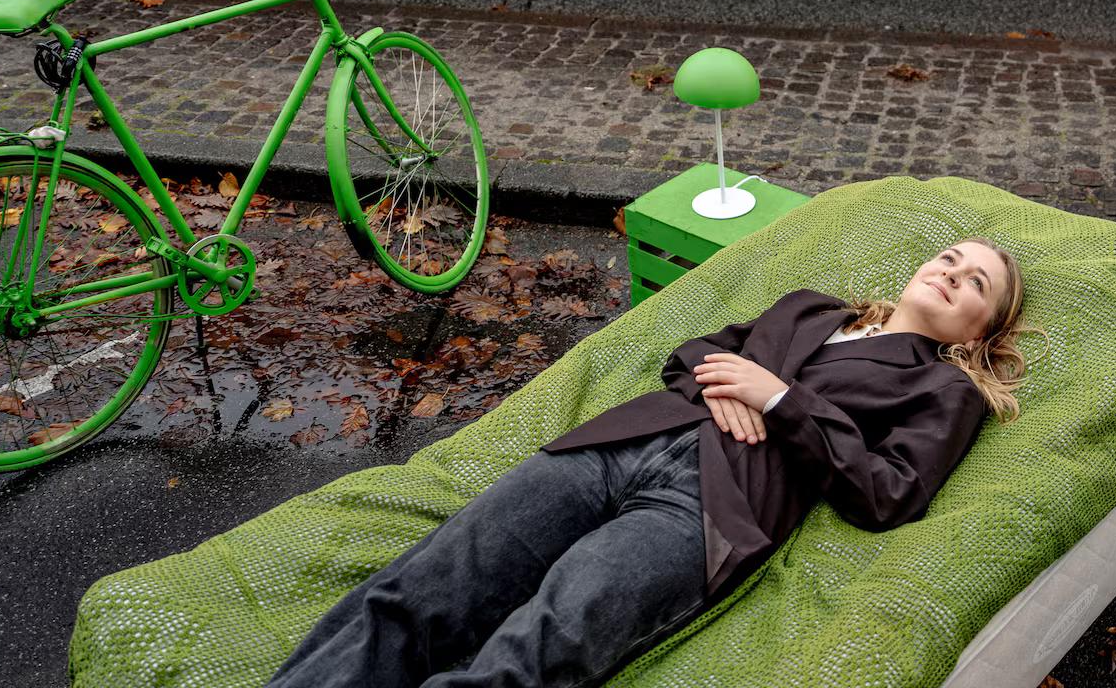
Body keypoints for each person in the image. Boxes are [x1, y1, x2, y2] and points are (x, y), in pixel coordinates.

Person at [265, 238, 1029, 688]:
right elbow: (693, 354)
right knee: (424, 589)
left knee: (544, 645)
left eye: (976, 284)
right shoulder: (811, 307)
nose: (951, 273)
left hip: (710, 505)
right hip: (620, 444)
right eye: (949, 258)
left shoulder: (945, 389)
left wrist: (776, 399)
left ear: (980, 330)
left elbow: (889, 493)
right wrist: (725, 383)